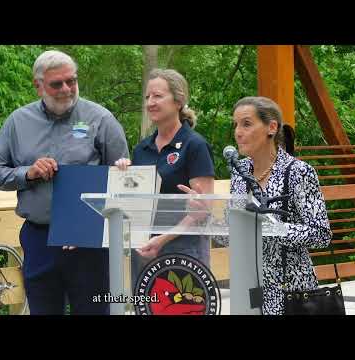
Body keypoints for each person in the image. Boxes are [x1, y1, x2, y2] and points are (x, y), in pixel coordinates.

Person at [0, 50, 129, 315]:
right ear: (38, 85)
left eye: (72, 81)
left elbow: (122, 182)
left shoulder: (101, 119)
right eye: (57, 84)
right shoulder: (18, 122)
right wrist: (27, 174)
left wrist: (91, 225)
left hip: (88, 242)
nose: (66, 89)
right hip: (39, 238)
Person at [225, 96, 332, 315]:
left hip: (292, 291)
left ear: (271, 127)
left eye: (246, 123)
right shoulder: (239, 172)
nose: (238, 132)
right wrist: (205, 215)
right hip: (249, 286)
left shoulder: (298, 171)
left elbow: (321, 233)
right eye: (235, 125)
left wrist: (272, 228)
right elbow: (233, 232)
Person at [115, 68, 215, 269]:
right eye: (147, 97)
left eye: (158, 96)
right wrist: (123, 175)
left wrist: (162, 239)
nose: (150, 102)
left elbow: (204, 208)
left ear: (178, 101)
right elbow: (136, 200)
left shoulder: (195, 145)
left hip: (183, 251)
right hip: (144, 250)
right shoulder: (142, 149)